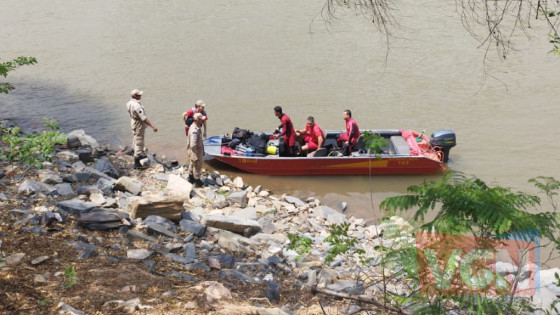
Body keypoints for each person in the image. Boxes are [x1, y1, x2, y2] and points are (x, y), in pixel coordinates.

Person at [126, 89, 158, 168]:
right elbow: (143, 118)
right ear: (135, 96)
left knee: (135, 138)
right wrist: (153, 126)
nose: (141, 96)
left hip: (133, 122)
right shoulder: (136, 105)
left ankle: (136, 153)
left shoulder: (129, 103)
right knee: (139, 141)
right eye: (139, 95)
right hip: (138, 124)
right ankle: (137, 162)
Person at [186, 112, 206, 187]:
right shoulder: (194, 130)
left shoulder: (194, 126)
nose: (203, 121)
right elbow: (193, 144)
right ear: (197, 120)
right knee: (197, 166)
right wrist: (197, 153)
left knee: (192, 163)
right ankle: (197, 180)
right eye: (201, 120)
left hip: (193, 151)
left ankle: (190, 177)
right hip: (196, 152)